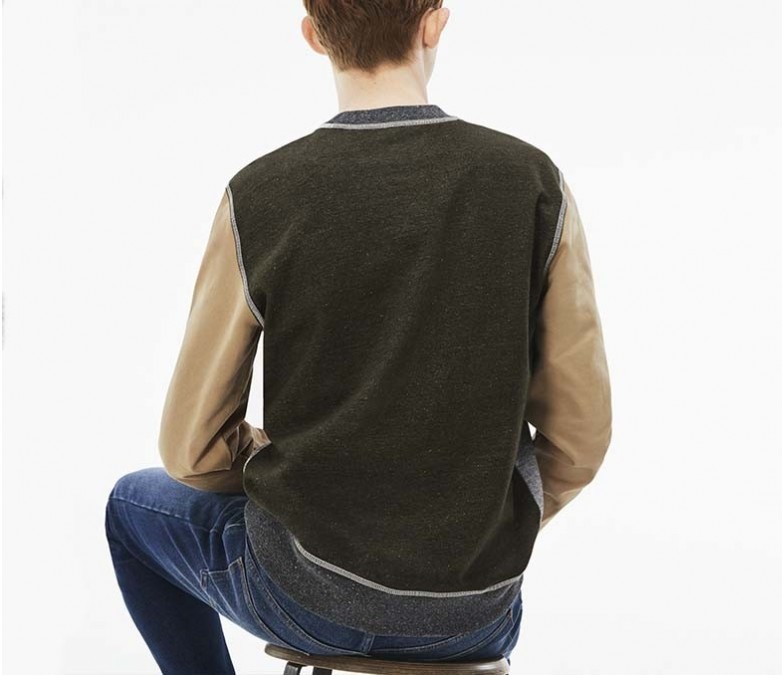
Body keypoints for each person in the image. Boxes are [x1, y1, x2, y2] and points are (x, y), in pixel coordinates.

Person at [104, 1, 613, 673]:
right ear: (433, 23)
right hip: (475, 614)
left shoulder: (260, 195)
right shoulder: (533, 182)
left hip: (307, 595)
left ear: (314, 35)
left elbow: (191, 451)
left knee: (130, 507)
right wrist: (476, 511)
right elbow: (580, 438)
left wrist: (272, 463)